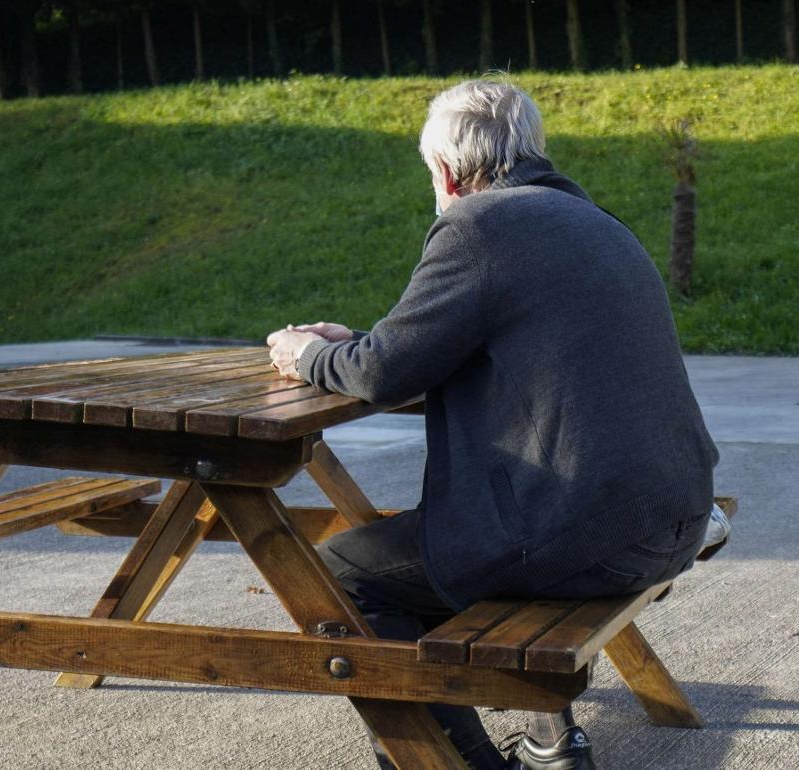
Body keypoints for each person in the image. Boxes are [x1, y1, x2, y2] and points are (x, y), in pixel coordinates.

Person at [266, 80, 718, 770]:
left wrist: (310, 355)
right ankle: (549, 738)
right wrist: (351, 344)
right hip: (677, 515)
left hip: (598, 537)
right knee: (448, 543)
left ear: (445, 171)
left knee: (342, 574)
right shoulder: (589, 219)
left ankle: (457, 762)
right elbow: (446, 347)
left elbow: (384, 374)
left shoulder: (478, 226)